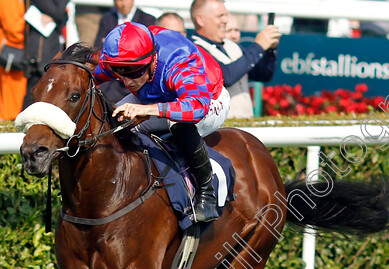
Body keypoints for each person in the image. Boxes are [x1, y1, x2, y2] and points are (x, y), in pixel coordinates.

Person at [95, 22, 230, 223]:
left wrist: (148, 111)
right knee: (111, 121)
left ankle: (206, 193)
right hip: (158, 95)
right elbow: (90, 74)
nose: (126, 82)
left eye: (133, 73)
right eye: (119, 73)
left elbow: (196, 107)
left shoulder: (179, 59)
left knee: (179, 124)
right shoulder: (126, 57)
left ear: (151, 60)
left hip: (208, 99)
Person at [189, 0, 279, 119]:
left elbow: (262, 75)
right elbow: (225, 76)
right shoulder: (192, 49)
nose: (225, 20)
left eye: (226, 15)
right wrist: (258, 46)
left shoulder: (231, 45)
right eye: (220, 16)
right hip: (220, 132)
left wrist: (269, 50)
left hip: (245, 128)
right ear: (200, 20)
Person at [23, 0, 68, 109]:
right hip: (37, 50)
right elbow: (59, 12)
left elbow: (63, 15)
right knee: (35, 87)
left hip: (50, 46)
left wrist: (57, 16)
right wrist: (58, 16)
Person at [0, 0, 27, 120]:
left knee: (8, 96)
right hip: (12, 48)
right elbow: (14, 29)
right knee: (10, 98)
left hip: (11, 46)